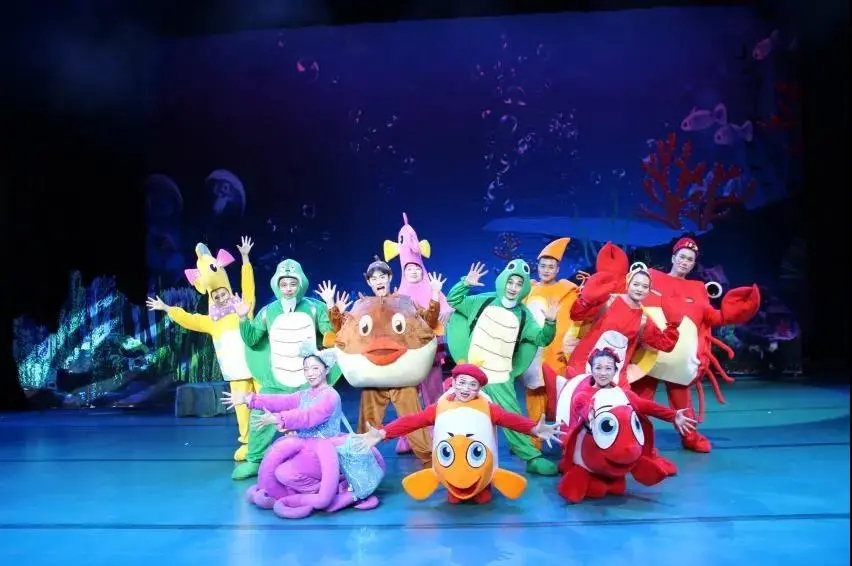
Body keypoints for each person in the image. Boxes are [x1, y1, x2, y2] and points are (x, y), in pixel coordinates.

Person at [352, 363, 564, 504]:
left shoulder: (487, 408)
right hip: (451, 469)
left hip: (479, 468)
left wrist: (533, 429)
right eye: (461, 383)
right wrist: (384, 433)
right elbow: (412, 421)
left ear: (478, 389)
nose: (465, 388)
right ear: (453, 383)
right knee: (454, 494)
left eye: (472, 385)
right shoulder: (440, 407)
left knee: (483, 496)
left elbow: (510, 419)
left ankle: (481, 486)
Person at [624, 238, 760, 453]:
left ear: (693, 264)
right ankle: (631, 437)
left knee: (683, 404)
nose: (685, 262)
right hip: (648, 355)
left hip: (679, 364)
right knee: (639, 401)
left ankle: (690, 436)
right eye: (682, 257)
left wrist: (736, 311)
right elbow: (632, 299)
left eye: (690, 259)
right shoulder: (652, 277)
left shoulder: (697, 289)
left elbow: (713, 317)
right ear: (673, 257)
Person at [222, 342, 385, 519]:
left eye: (315, 368)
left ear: (326, 370)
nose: (310, 373)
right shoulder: (305, 394)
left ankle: (321, 490)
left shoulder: (330, 396)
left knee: (284, 473)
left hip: (324, 449)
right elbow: (281, 401)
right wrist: (249, 399)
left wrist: (279, 418)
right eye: (306, 369)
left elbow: (309, 416)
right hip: (306, 446)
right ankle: (315, 487)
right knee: (279, 469)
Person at [444, 259, 560, 475]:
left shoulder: (524, 316)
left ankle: (531, 457)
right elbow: (454, 300)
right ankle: (449, 454)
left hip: (499, 376)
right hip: (471, 373)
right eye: (510, 282)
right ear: (503, 281)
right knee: (456, 412)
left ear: (524, 287)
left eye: (519, 284)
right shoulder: (484, 301)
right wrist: (465, 283)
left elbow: (541, 339)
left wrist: (551, 323)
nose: (513, 287)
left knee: (511, 415)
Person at [146, 237, 256, 463]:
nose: (221, 298)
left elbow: (248, 287)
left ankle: (284, 436)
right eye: (216, 296)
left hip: (257, 366)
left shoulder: (243, 308)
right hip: (237, 373)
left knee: (270, 401)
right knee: (242, 408)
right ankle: (248, 443)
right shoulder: (211, 322)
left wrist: (245, 259)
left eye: (223, 294)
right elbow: (189, 319)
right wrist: (167, 308)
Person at [230, 258, 340, 480]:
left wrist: (331, 307)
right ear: (277, 286)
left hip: (308, 381)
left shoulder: (314, 307)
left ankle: (321, 459)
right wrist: (242, 317)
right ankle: (255, 460)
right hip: (276, 380)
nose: (288, 289)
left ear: (301, 284)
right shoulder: (268, 312)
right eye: (284, 284)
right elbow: (252, 339)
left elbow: (330, 336)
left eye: (292, 284)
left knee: (316, 420)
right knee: (259, 417)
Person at [548, 348, 696, 503]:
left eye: (608, 368)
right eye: (598, 368)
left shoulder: (622, 393)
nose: (603, 373)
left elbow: (646, 405)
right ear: (591, 369)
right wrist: (588, 412)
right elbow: (580, 405)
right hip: (587, 451)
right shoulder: (584, 394)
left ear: (615, 371)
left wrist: (673, 416)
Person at [565, 265, 682, 383]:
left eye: (645, 286)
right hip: (584, 363)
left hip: (613, 374)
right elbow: (576, 315)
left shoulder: (644, 318)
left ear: (648, 291)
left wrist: (673, 325)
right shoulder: (609, 300)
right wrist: (585, 300)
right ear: (628, 284)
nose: (640, 289)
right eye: (636, 284)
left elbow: (664, 344)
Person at [521, 237, 581, 449]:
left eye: (551, 267)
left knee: (561, 397)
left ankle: (567, 443)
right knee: (534, 395)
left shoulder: (567, 291)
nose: (546, 270)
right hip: (533, 354)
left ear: (558, 269)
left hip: (556, 352)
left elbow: (576, 317)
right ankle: (535, 442)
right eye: (543, 266)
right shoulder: (528, 290)